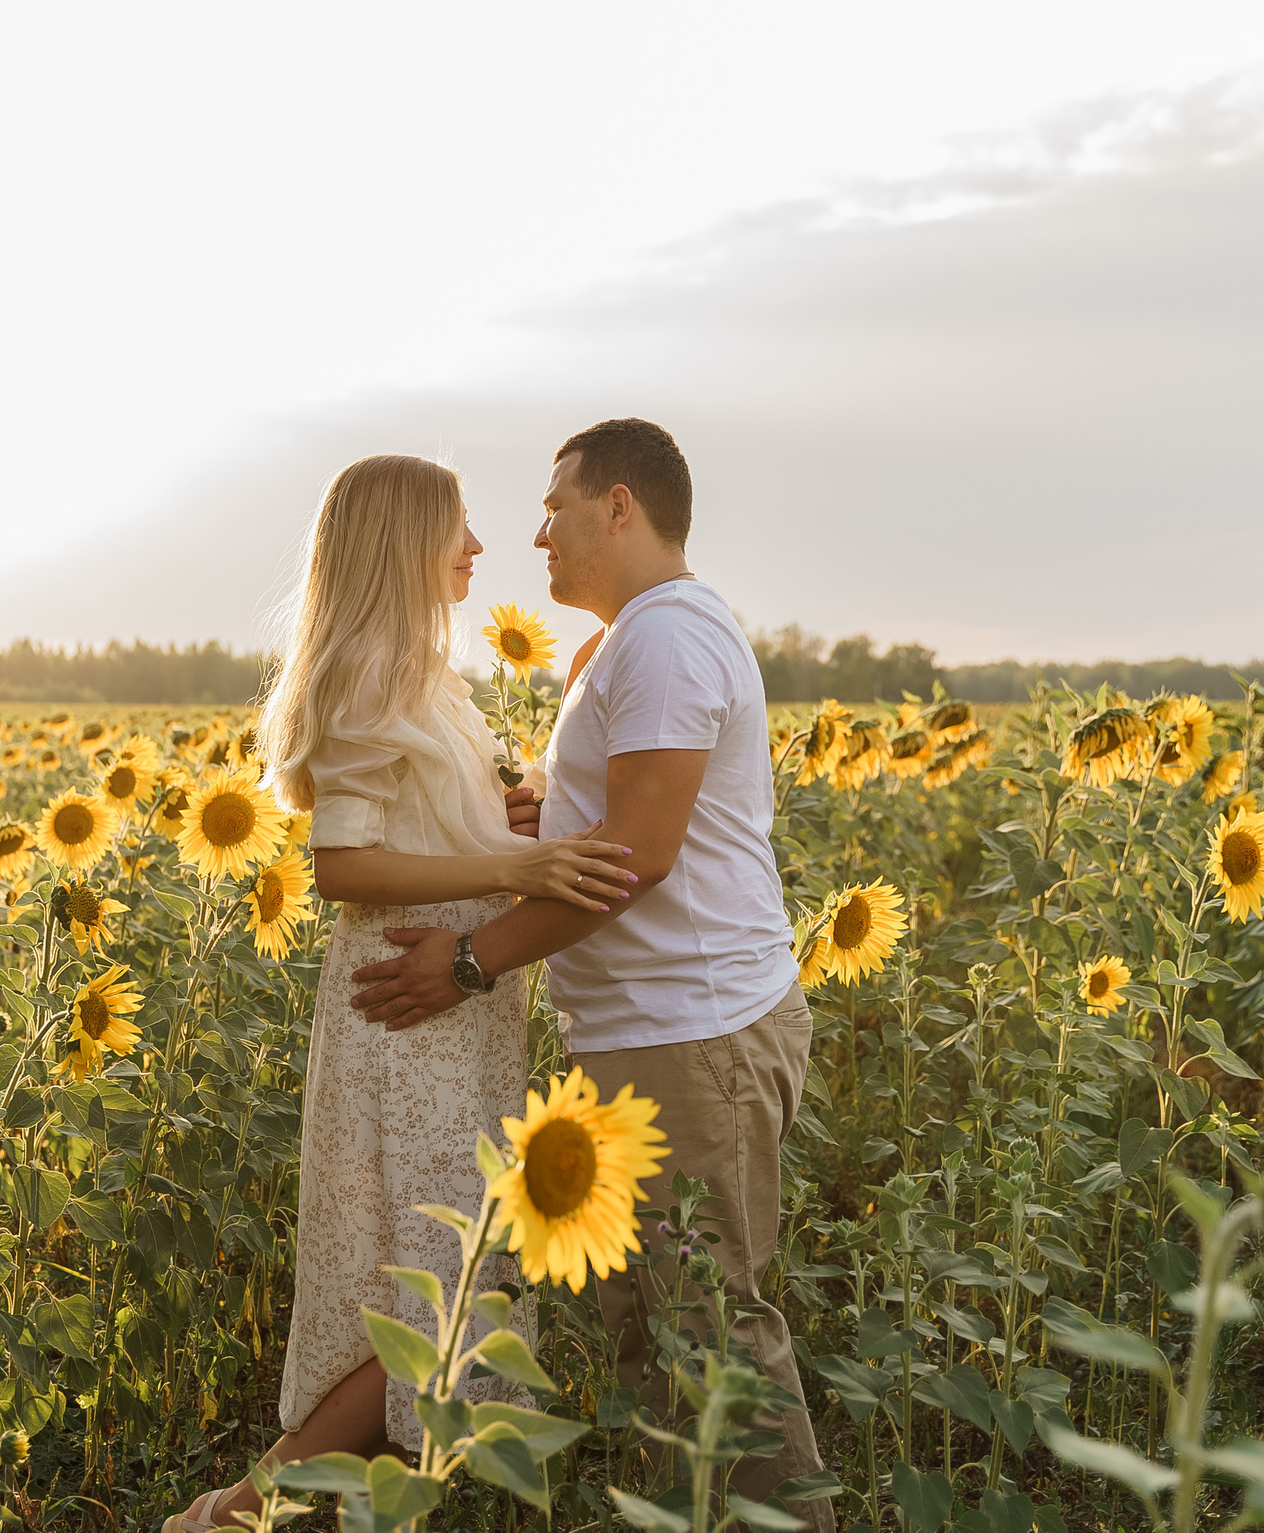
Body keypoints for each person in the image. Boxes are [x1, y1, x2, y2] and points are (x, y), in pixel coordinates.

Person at [348, 417, 830, 1525]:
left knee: (712, 1336)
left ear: (620, 506)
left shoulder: (664, 640)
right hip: (653, 1031)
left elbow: (641, 857)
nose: (535, 534)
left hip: (689, 1037)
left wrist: (466, 961)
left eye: (555, 506)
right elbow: (621, 823)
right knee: (661, 1334)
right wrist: (544, 813)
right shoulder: (634, 643)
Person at [165, 454, 639, 1533]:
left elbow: (425, 832)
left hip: (455, 1008)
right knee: (441, 1292)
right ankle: (235, 1517)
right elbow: (344, 867)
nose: (478, 549)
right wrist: (510, 869)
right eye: (458, 529)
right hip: (405, 1010)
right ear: (401, 544)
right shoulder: (371, 677)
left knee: (437, 1282)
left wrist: (500, 824)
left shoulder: (425, 677)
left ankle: (263, 1514)